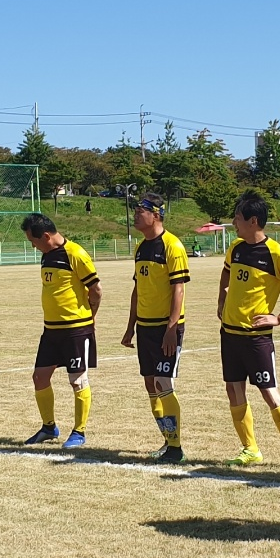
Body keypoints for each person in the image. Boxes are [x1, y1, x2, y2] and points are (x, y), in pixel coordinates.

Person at [216, 190, 280, 470]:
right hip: (230, 334)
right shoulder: (235, 248)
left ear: (253, 221)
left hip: (256, 338)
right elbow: (225, 272)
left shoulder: (275, 254)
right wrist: (221, 300)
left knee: (268, 391)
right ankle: (250, 449)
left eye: (238, 218)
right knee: (234, 391)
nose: (234, 223)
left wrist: (278, 318)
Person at [120, 194, 191, 462]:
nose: (136, 215)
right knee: (150, 384)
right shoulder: (141, 248)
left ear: (156, 215)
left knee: (163, 382)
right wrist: (130, 327)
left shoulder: (172, 246)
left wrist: (172, 328)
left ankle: (176, 447)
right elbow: (137, 290)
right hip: (145, 328)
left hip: (166, 328)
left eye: (141, 211)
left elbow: (179, 289)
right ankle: (167, 439)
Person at [22, 212, 101, 447]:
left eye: (33, 241)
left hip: (75, 329)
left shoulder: (75, 254)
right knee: (39, 377)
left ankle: (79, 432)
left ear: (46, 236)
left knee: (77, 381)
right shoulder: (47, 255)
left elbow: (96, 290)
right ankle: (49, 427)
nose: (33, 246)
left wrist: (90, 317)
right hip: (51, 330)